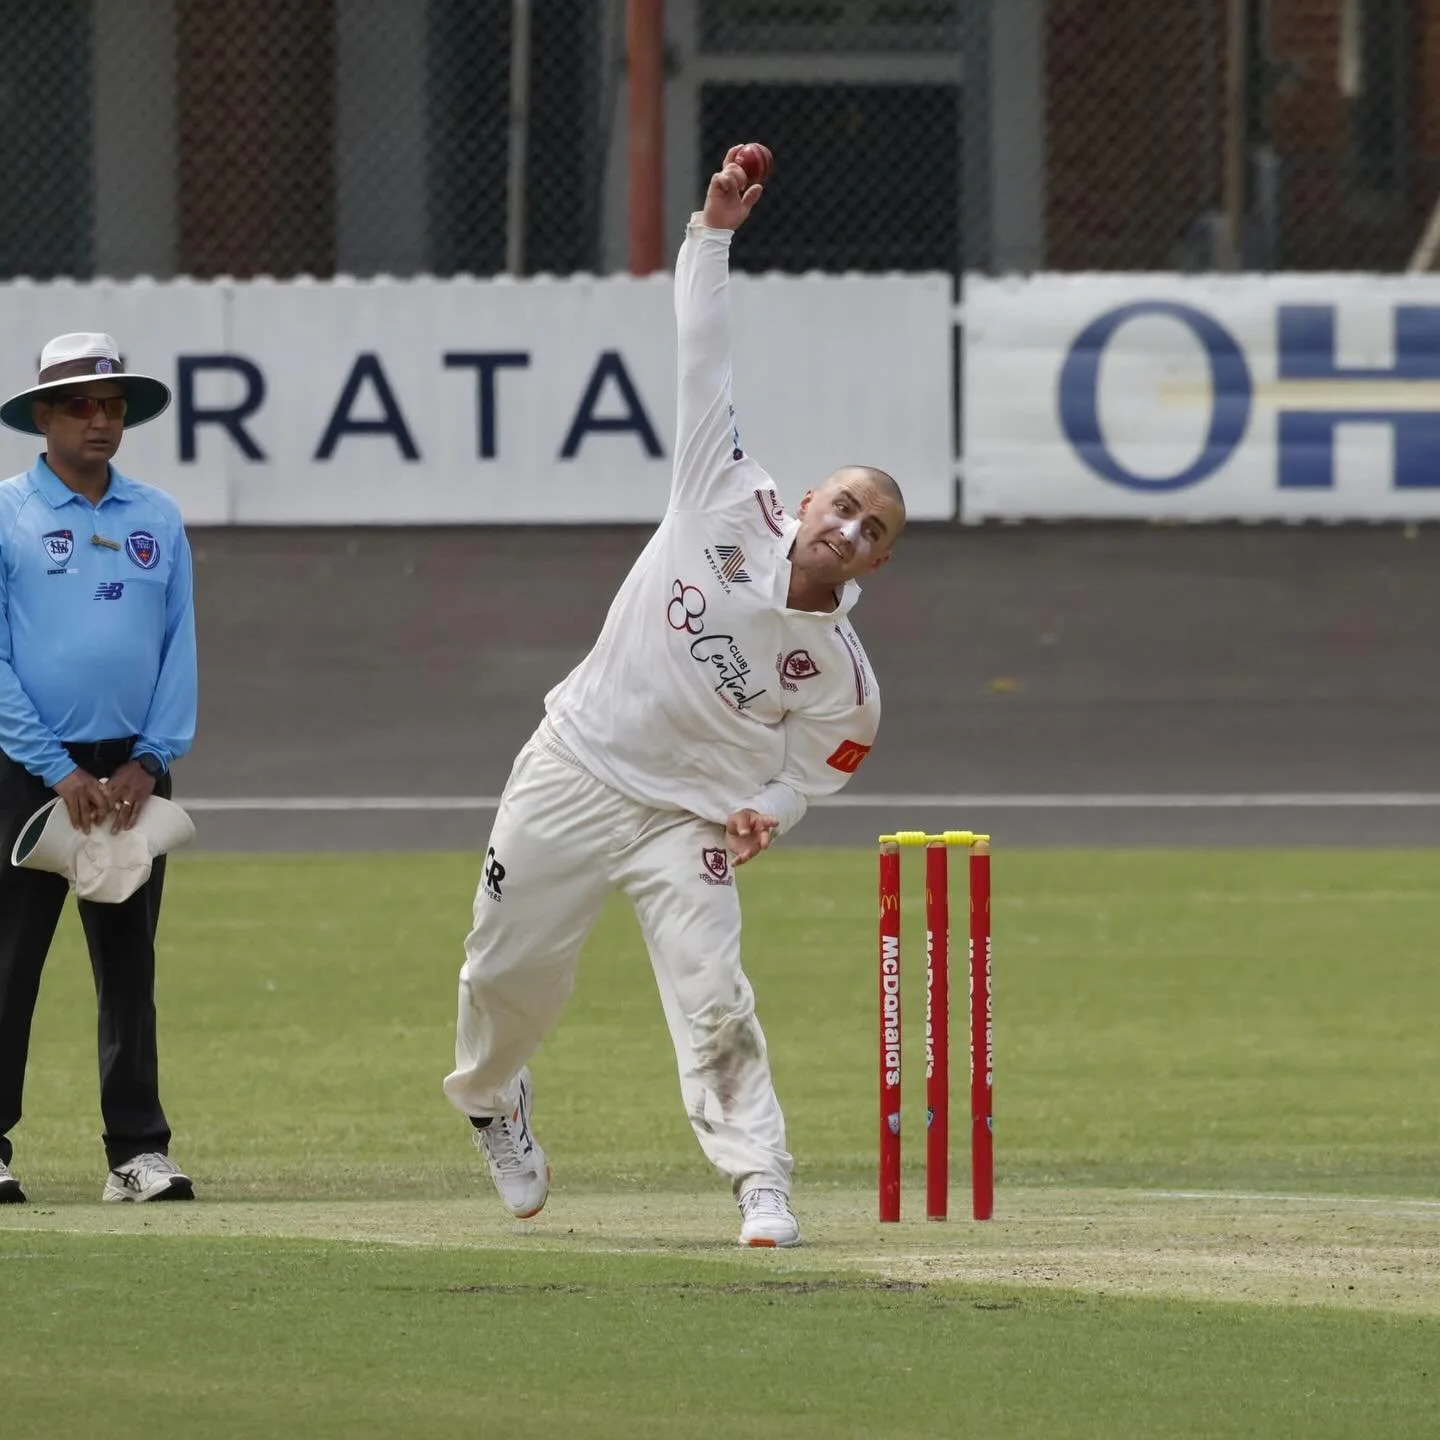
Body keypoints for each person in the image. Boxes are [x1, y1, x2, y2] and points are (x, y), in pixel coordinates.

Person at [442, 144, 906, 1248]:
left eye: (873, 531)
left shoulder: (841, 676)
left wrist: (770, 812)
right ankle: (491, 1099)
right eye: (843, 505)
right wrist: (713, 235)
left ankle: (762, 1182)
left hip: (683, 821)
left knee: (714, 996)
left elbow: (824, 765)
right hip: (574, 764)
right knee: (505, 973)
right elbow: (705, 362)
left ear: (875, 566)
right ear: (805, 502)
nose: (848, 528)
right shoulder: (720, 497)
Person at [0, 333, 198, 1204]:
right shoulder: (7, 513)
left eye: (112, 405)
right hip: (27, 771)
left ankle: (137, 1153)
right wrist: (55, 769)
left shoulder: (156, 516)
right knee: (11, 962)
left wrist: (153, 759)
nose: (100, 420)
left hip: (132, 776)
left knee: (129, 966)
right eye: (80, 404)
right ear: (42, 416)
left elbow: (176, 646)